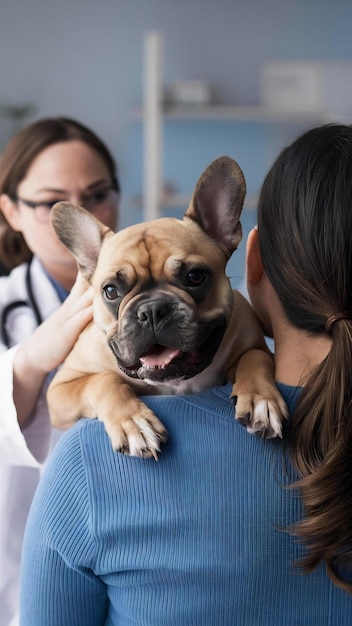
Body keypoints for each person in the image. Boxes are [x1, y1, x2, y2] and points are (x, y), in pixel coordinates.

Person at [20, 123, 352, 625]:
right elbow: (64, 397)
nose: (152, 314)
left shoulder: (88, 466)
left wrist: (254, 371)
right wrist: (105, 392)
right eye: (117, 291)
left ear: (245, 253)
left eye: (193, 278)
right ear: (88, 271)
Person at [0, 116, 120, 626]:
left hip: (128, 553)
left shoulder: (154, 304)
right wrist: (31, 358)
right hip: (17, 567)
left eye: (97, 194)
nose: (80, 214)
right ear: (9, 210)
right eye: (53, 203)